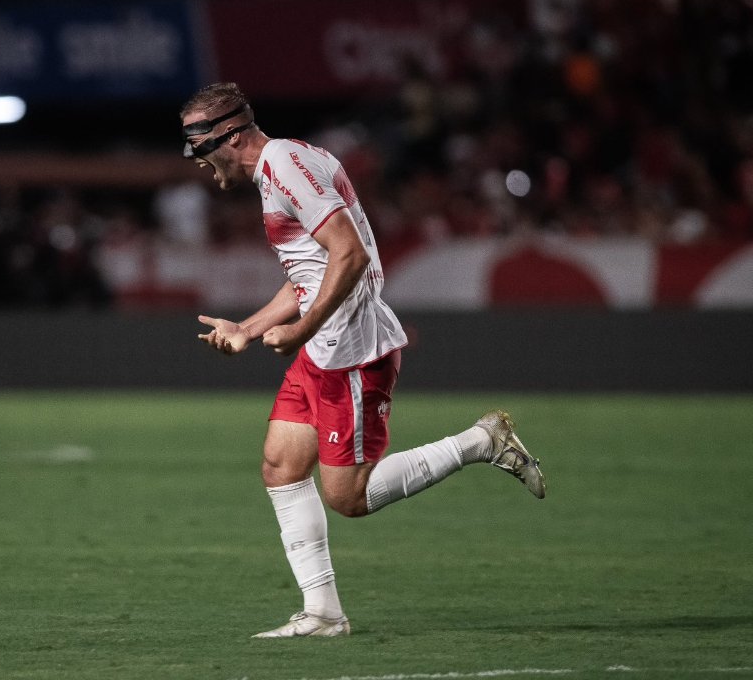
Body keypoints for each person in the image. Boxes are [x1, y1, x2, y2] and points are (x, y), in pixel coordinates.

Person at [183, 82, 546, 639]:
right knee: (281, 465)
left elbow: (349, 253)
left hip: (349, 349)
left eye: (200, 147)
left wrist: (302, 327)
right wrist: (250, 329)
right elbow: (311, 269)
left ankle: (481, 441)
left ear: (229, 136)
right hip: (324, 345)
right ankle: (323, 614)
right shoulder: (293, 162)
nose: (199, 162)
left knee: (347, 497)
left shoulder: (283, 165)